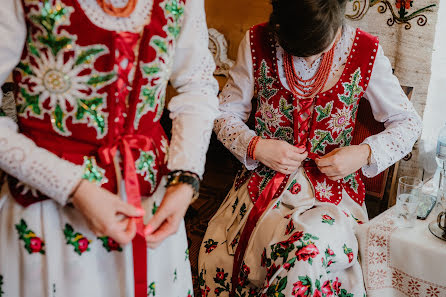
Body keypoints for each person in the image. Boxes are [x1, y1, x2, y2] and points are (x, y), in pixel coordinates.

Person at [198, 0, 422, 295]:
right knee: (266, 250)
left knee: (307, 249)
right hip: (263, 188)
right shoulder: (256, 40)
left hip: (333, 197)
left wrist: (362, 153)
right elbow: (224, 113)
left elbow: (408, 123)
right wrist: (256, 146)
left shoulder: (365, 50)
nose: (311, 57)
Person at [0, 0, 219, 296]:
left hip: (151, 203)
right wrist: (71, 185)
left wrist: (186, 178)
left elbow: (197, 84)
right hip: (47, 205)